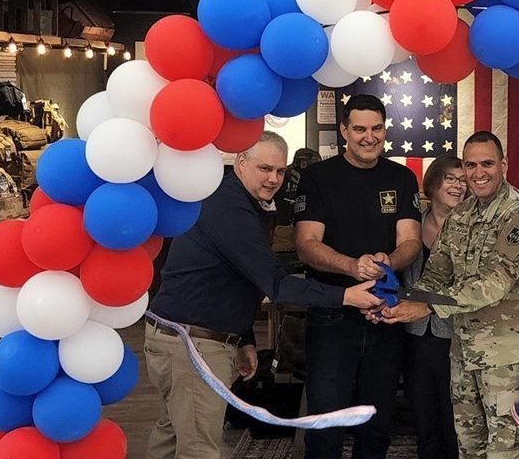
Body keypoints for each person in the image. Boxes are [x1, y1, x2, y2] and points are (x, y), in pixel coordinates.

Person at [145, 132, 383, 459]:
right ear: (240, 163)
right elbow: (276, 283)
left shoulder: (236, 200)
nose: (274, 179)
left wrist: (243, 339)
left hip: (181, 336)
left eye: (280, 171)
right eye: (265, 169)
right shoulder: (230, 209)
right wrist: (347, 296)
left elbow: (232, 279)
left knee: (172, 438)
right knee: (198, 448)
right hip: (193, 343)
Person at [380, 131, 519, 459]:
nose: (478, 172)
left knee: (507, 453)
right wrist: (397, 304)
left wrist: (427, 306)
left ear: (504, 164)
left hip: (509, 359)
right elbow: (436, 274)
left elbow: (496, 282)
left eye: (487, 163)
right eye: (470, 164)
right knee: (469, 449)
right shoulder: (462, 214)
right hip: (464, 354)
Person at [294, 94, 422, 459]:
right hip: (331, 313)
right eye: (360, 129)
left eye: (377, 128)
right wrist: (352, 266)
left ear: (385, 130)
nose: (370, 137)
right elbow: (306, 244)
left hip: (384, 314)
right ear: (344, 131)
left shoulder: (401, 176)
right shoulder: (318, 177)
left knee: (376, 424)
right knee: (326, 423)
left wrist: (389, 261)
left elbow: (411, 242)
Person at [402, 154, 465, 459]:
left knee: (454, 425)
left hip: (455, 339)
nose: (458, 185)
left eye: (463, 179)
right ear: (434, 181)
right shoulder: (411, 224)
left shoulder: (472, 229)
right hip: (413, 338)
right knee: (424, 422)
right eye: (450, 178)